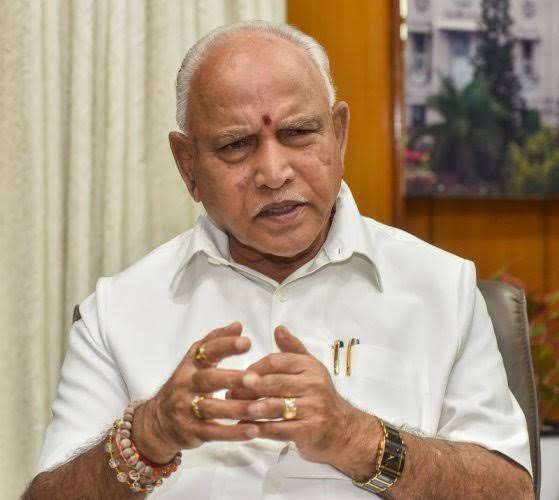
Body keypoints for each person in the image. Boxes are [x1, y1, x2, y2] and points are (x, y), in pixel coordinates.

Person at [25, 21, 534, 499]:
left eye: (297, 133)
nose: (272, 171)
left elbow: (512, 491)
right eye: (236, 145)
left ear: (339, 134)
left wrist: (357, 438)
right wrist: (148, 434)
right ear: (187, 167)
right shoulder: (118, 312)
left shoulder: (442, 287)